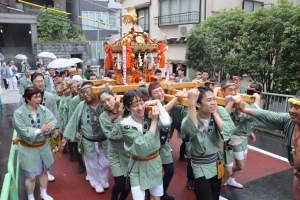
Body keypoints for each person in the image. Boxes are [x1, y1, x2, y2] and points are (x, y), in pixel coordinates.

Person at [236, 94, 300, 200]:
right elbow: (267, 115)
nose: (291, 110)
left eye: (296, 108)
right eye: (291, 106)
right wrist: (244, 109)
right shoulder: (289, 121)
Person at [181, 87, 235, 200]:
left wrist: (215, 113)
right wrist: (190, 104)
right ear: (198, 104)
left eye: (214, 99)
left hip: (216, 163)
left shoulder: (220, 110)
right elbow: (189, 130)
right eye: (209, 100)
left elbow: (228, 131)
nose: (213, 102)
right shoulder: (192, 116)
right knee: (205, 197)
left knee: (215, 196)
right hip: (199, 165)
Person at [120, 90, 172, 200]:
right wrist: (154, 122)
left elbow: (167, 122)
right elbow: (142, 147)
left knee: (156, 197)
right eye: (135, 105)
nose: (140, 108)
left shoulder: (149, 114)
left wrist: (158, 102)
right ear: (128, 108)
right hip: (137, 164)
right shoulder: (125, 124)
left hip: (154, 162)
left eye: (141, 103)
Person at [62, 81, 111, 193]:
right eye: (83, 92)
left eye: (87, 91)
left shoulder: (104, 103)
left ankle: (103, 179)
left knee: (107, 163)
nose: (85, 94)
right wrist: (66, 137)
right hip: (88, 141)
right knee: (91, 164)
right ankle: (96, 183)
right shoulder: (81, 105)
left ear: (95, 90)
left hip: (104, 140)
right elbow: (74, 120)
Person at [12, 86, 57, 200]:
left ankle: (43, 193)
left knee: (43, 172)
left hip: (43, 146)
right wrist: (40, 130)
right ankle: (30, 196)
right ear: (27, 99)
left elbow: (53, 120)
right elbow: (22, 130)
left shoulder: (43, 109)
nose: (39, 99)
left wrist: (48, 127)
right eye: (35, 97)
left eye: (39, 96)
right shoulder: (19, 113)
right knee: (31, 177)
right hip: (28, 148)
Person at [218, 80, 262, 191]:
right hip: (233, 138)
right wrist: (234, 104)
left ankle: (230, 179)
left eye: (234, 90)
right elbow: (228, 119)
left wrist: (250, 132)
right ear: (222, 91)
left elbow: (249, 117)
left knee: (243, 162)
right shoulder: (220, 102)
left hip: (243, 137)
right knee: (240, 165)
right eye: (230, 90)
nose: (233, 92)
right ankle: (220, 179)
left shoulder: (238, 100)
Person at [148, 82, 187, 200]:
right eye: (156, 92)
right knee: (154, 173)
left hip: (164, 143)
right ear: (151, 96)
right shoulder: (151, 106)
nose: (160, 94)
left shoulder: (169, 103)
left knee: (169, 171)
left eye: (161, 91)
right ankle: (150, 194)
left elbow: (181, 114)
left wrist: (184, 101)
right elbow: (163, 110)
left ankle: (162, 192)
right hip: (152, 145)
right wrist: (175, 98)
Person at [99, 88, 131, 200]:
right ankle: (113, 196)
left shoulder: (127, 108)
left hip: (130, 152)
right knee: (120, 184)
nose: (107, 104)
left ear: (114, 96)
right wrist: (120, 117)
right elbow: (113, 135)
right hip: (114, 153)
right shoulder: (103, 117)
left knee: (129, 184)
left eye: (108, 99)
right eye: (103, 102)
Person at [29, 73, 61, 182]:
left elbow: (54, 112)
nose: (40, 83)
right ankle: (35, 172)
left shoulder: (50, 96)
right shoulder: (27, 97)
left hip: (48, 129)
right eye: (37, 81)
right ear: (32, 82)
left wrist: (57, 127)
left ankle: (47, 172)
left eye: (41, 81)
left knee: (48, 150)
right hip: (34, 130)